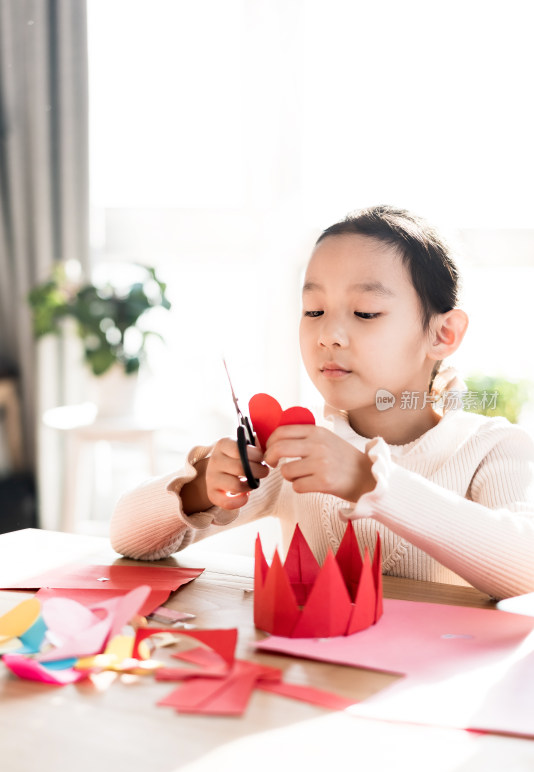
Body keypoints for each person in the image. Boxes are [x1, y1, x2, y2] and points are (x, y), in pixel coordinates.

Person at [110, 205, 534, 600]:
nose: (327, 334)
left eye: (365, 313)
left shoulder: (492, 449)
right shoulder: (292, 451)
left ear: (443, 334)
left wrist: (367, 481)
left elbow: (526, 569)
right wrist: (200, 486)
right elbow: (127, 537)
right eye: (313, 311)